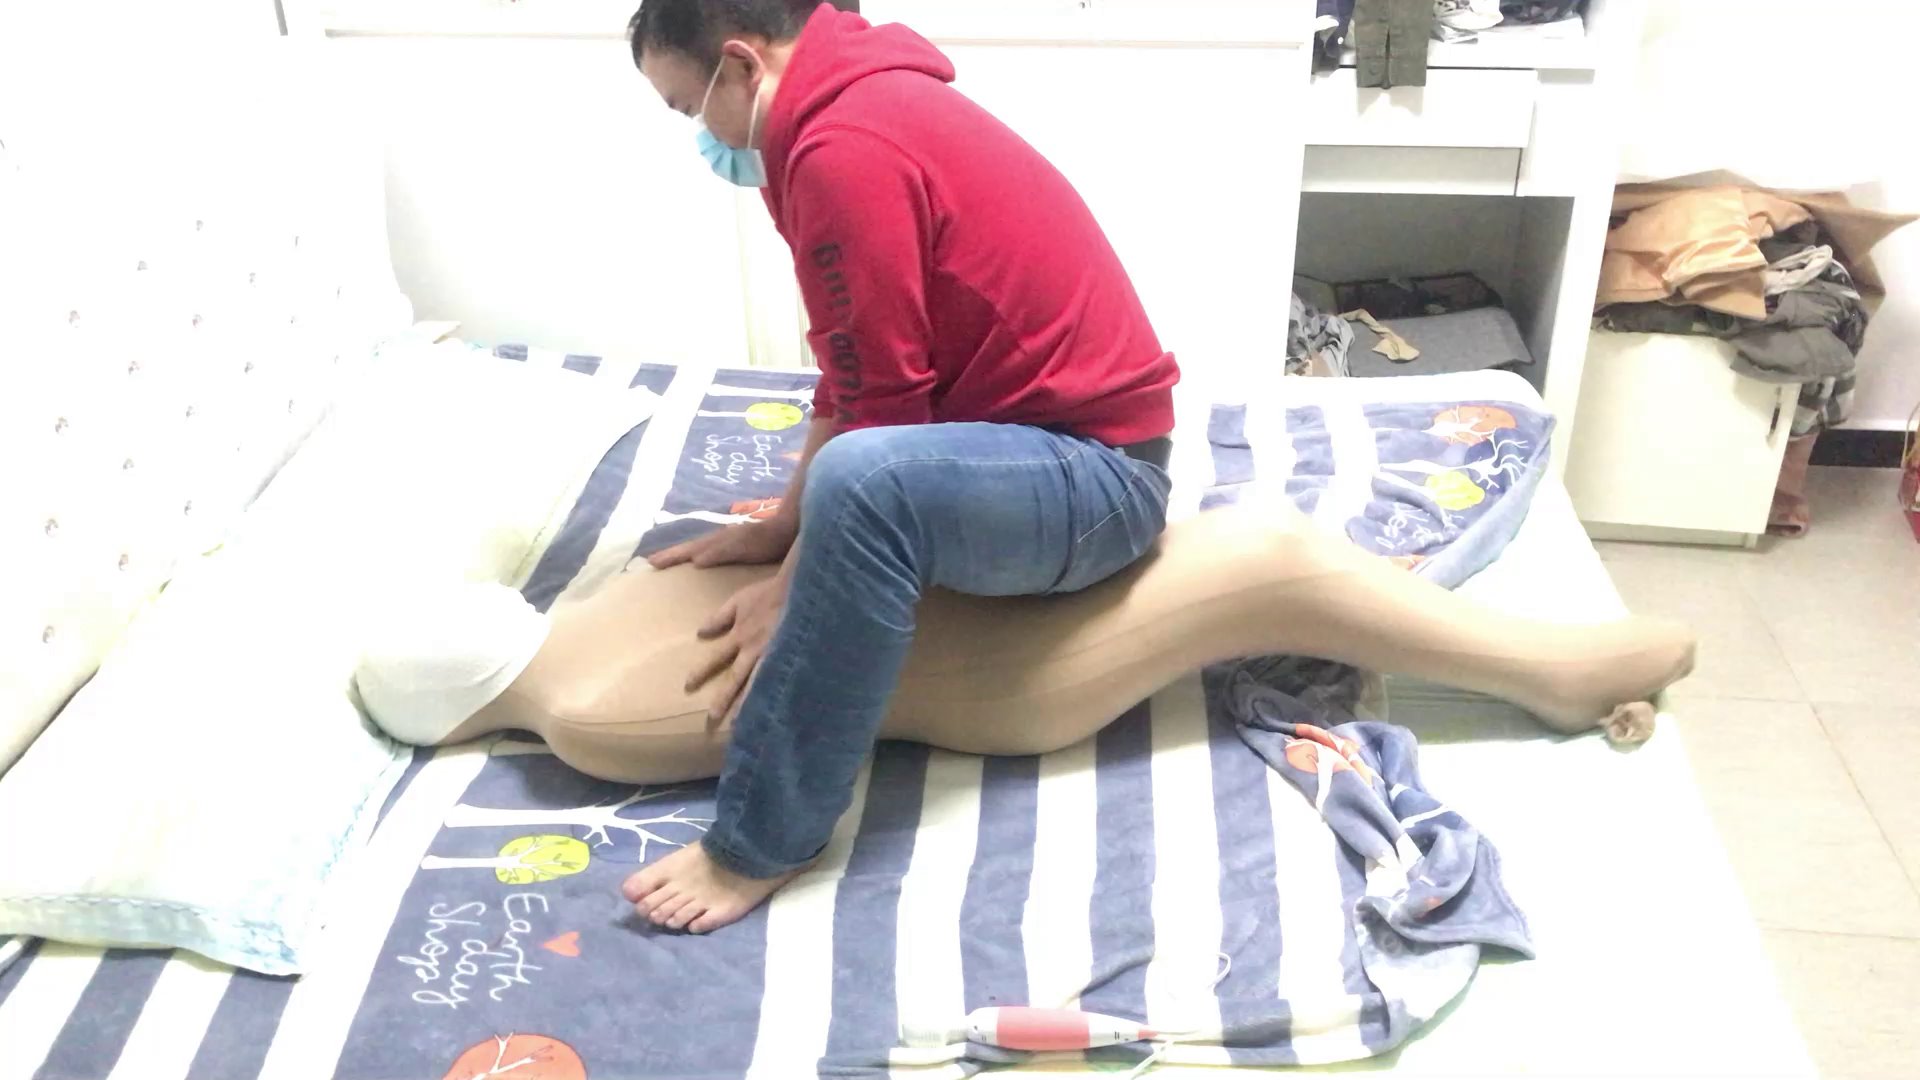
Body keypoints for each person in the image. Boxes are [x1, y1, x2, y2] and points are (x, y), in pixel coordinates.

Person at [356, 500, 1698, 930]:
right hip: (1012, 675)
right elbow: (809, 709)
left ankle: (1538, 663)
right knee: (1268, 568)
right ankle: (1557, 672)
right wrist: (753, 850)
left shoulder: (600, 647)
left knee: (1262, 561)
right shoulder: (593, 696)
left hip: (996, 616)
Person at [620, 0, 1183, 932]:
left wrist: (795, 589)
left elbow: (883, 417)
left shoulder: (843, 147)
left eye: (690, 107)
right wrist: (785, 527)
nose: (701, 134)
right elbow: (852, 369)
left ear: (741, 66)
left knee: (865, 482)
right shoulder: (842, 112)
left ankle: (761, 841)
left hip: (1099, 479)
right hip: (1041, 448)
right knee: (854, 474)